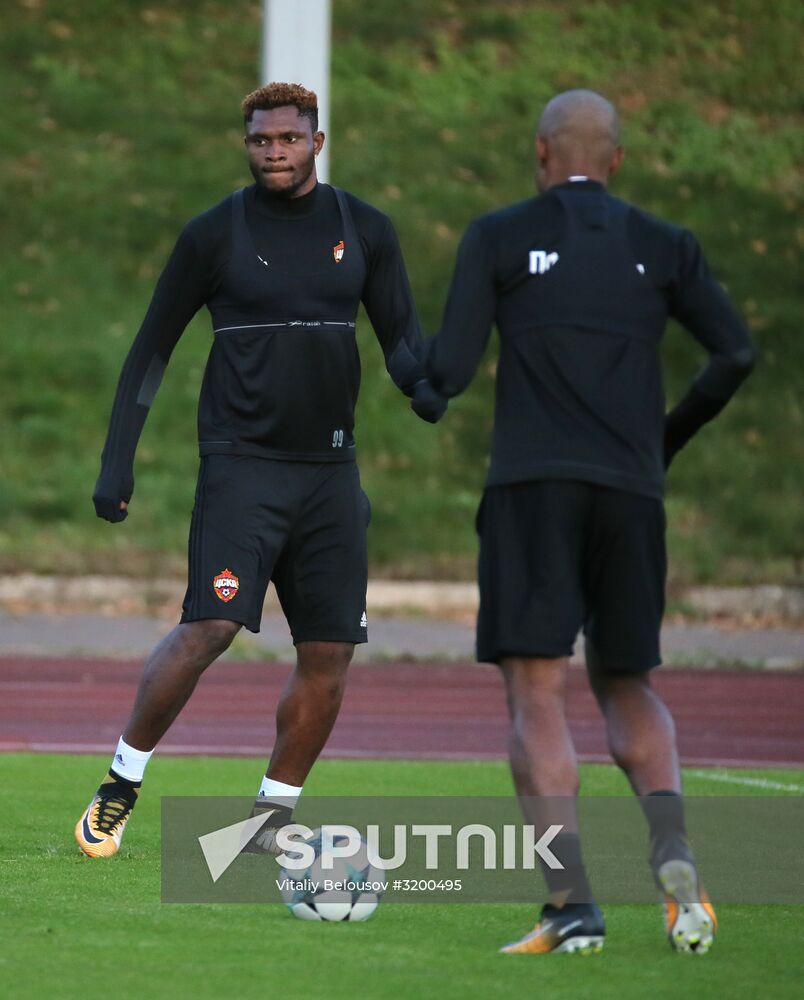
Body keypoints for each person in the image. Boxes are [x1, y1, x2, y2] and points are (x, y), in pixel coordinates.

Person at [75, 82, 446, 859]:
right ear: (247, 145)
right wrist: (118, 463)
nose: (274, 151)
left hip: (330, 475)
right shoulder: (214, 234)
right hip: (242, 467)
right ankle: (120, 785)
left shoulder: (366, 229)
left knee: (329, 650)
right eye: (260, 140)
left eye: (288, 138)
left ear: (317, 140)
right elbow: (150, 351)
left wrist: (426, 386)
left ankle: (271, 820)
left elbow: (402, 342)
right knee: (208, 627)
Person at [425, 89, 755, 954]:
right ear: (616, 161)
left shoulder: (497, 235)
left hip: (534, 489)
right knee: (628, 681)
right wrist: (664, 437)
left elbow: (450, 370)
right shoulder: (664, 245)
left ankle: (570, 902)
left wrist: (409, 369)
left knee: (538, 694)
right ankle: (674, 854)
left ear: (540, 154)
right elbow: (736, 351)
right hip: (631, 493)